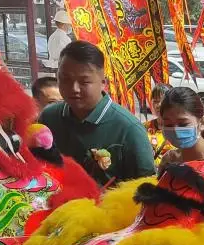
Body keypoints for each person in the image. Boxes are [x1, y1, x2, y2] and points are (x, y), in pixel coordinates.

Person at [38, 41, 156, 185]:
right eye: (65, 79)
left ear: (103, 82)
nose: (74, 88)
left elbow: (146, 188)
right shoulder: (49, 117)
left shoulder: (129, 129)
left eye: (84, 82)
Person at [152, 86, 204, 159]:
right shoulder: (169, 159)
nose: (175, 130)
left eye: (183, 124)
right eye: (168, 125)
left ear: (202, 122)